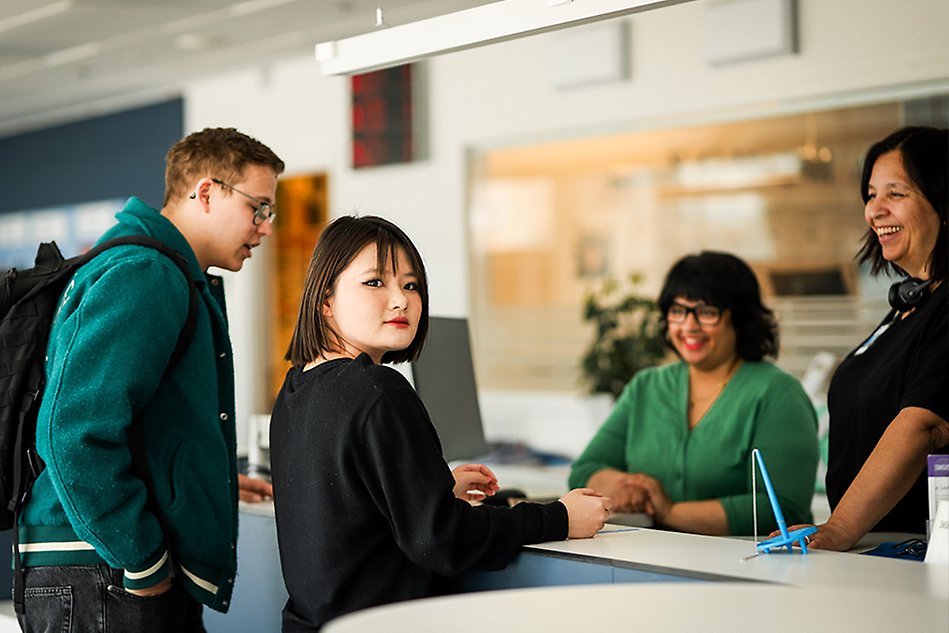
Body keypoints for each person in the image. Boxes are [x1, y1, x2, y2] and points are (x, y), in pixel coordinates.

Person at [269, 215, 611, 632]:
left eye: (410, 285)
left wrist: (431, 488)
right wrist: (560, 517)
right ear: (326, 300)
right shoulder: (378, 390)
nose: (401, 301)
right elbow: (442, 542)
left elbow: (341, 510)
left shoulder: (296, 387)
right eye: (375, 282)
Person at [18, 127, 284, 632]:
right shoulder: (145, 273)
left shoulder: (160, 270)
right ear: (206, 192)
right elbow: (72, 433)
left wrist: (209, 477)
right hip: (101, 570)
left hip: (101, 566)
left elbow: (147, 422)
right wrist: (143, 559)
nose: (265, 227)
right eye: (259, 207)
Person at [569, 252, 819, 536]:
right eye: (678, 311)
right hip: (652, 558)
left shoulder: (778, 393)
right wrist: (628, 486)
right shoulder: (647, 386)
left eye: (706, 312)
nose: (689, 326)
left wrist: (671, 512)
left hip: (749, 566)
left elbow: (783, 508)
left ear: (738, 319)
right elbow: (583, 472)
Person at [783, 127, 949, 551]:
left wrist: (838, 530)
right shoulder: (907, 307)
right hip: (876, 547)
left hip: (923, 554)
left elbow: (922, 425)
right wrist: (834, 528)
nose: (875, 210)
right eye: (871, 195)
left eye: (896, 194)